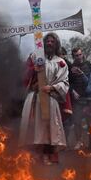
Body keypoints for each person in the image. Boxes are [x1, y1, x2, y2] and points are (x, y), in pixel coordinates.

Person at [19, 32, 69, 165]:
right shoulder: (34, 57)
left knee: (48, 128)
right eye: (48, 41)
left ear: (56, 44)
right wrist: (33, 70)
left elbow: (64, 82)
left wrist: (51, 88)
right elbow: (24, 75)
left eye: (53, 42)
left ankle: (47, 155)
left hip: (50, 99)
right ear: (43, 43)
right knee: (33, 127)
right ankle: (34, 155)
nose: (49, 43)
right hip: (34, 98)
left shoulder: (61, 62)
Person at [68, 47, 91, 150]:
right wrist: (72, 91)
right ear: (73, 56)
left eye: (79, 54)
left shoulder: (88, 65)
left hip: (88, 98)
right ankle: (79, 141)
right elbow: (69, 82)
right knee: (77, 121)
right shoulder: (71, 67)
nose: (78, 57)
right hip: (77, 99)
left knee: (90, 121)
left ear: (83, 54)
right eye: (76, 55)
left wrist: (81, 74)